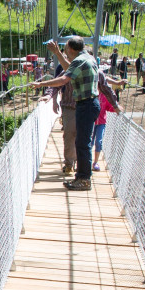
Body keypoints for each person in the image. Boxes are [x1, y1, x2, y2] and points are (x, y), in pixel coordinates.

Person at [28, 36, 101, 191]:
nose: (65, 50)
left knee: (82, 144)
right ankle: (82, 177)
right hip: (90, 104)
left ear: (71, 49)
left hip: (86, 104)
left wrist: (41, 84)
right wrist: (57, 54)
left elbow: (63, 79)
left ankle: (84, 179)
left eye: (65, 47)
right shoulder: (87, 57)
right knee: (82, 142)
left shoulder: (80, 60)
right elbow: (70, 69)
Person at [93, 69, 123, 172]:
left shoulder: (105, 97)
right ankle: (86, 162)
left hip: (101, 122)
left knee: (98, 142)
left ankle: (95, 162)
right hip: (91, 122)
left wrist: (116, 108)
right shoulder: (91, 95)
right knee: (89, 142)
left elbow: (109, 107)